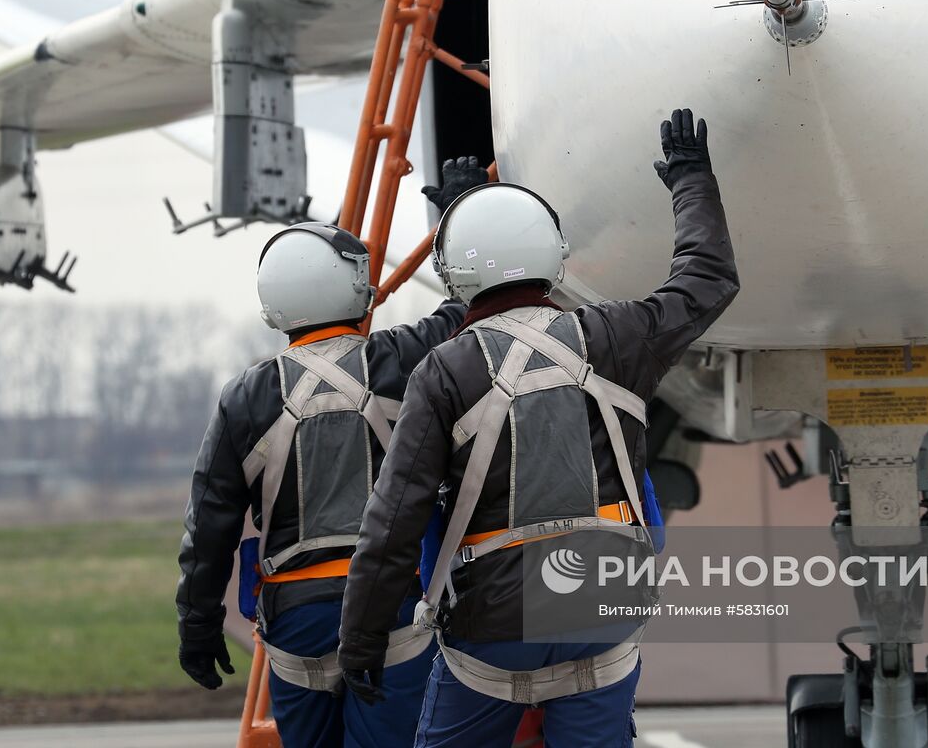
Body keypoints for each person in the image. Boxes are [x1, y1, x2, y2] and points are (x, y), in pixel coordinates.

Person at [337, 109, 739, 746]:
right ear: (554, 254)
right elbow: (708, 277)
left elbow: (393, 523)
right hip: (602, 610)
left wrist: (360, 641)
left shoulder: (444, 372)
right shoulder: (617, 339)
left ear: (456, 272)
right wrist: (692, 178)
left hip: (493, 626)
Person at [175, 158, 489, 748]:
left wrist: (197, 625)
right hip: (390, 606)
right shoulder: (398, 360)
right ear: (353, 284)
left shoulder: (244, 398)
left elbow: (209, 525)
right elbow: (469, 310)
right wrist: (459, 213)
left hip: (294, 621)